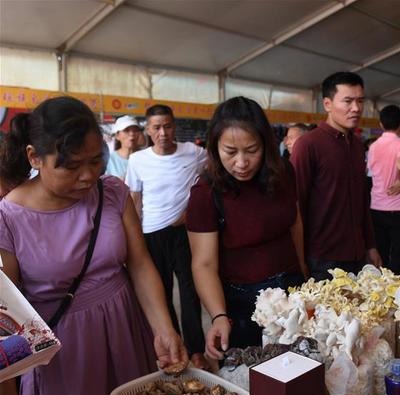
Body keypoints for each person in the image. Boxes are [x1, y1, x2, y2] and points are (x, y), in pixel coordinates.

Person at [0, 97, 187, 395]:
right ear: (34, 157)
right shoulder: (9, 217)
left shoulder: (113, 192)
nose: (88, 175)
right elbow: (4, 323)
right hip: (63, 359)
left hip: (125, 333)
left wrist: (164, 328)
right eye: (71, 166)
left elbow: (141, 264)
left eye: (95, 160)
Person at [186, 97, 306, 357]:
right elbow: (203, 264)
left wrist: (305, 274)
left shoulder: (283, 171)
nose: (241, 163)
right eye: (230, 151)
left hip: (292, 290)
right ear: (215, 146)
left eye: (251, 150)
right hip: (243, 304)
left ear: (266, 144)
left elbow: (295, 223)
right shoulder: (206, 193)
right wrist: (218, 316)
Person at [125, 105, 209, 369]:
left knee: (190, 292)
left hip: (184, 233)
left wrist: (193, 210)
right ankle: (175, 346)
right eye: (157, 127)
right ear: (148, 131)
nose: (163, 132)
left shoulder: (194, 153)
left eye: (168, 126)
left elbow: (212, 178)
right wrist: (134, 238)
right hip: (151, 234)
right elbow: (135, 200)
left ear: (174, 126)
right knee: (160, 293)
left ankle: (196, 350)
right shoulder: (138, 160)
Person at [291, 72, 381, 280]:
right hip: (322, 258)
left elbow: (361, 201)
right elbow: (296, 206)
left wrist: (371, 245)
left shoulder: (357, 145)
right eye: (348, 101)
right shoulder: (308, 145)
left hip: (358, 255)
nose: (356, 108)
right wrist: (299, 259)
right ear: (327, 104)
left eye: (360, 101)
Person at [367, 104, 400, 274]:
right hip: (396, 208)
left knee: (381, 255)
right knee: (399, 255)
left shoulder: (373, 146)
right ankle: (395, 290)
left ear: (380, 124)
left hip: (376, 206)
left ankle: (383, 290)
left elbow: (370, 173)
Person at [105, 115, 143, 180]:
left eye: (135, 130)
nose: (132, 134)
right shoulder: (109, 160)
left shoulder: (145, 157)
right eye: (126, 130)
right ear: (117, 136)